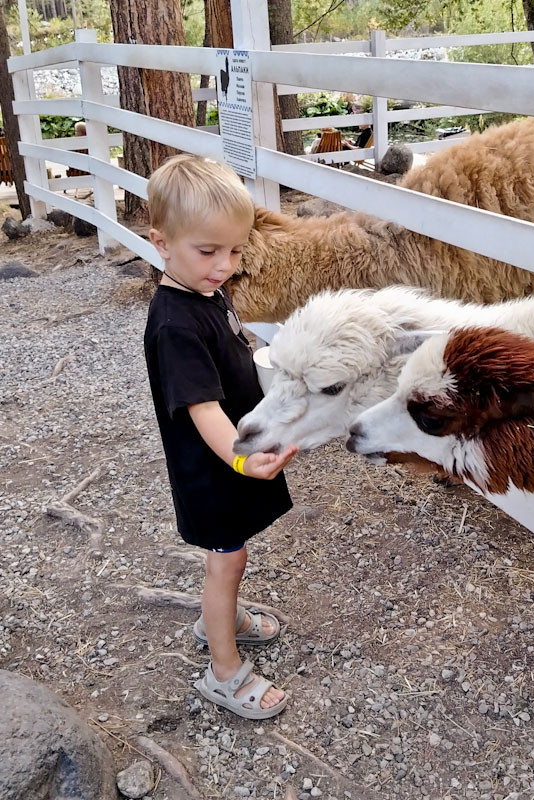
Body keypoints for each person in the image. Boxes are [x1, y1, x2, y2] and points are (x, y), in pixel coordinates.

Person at [144, 154, 298, 720]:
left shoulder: (206, 292)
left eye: (234, 251)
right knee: (225, 561)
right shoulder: (174, 323)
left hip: (230, 455)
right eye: (207, 251)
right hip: (211, 468)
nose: (224, 266)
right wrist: (241, 461)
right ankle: (225, 671)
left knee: (231, 557)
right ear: (161, 241)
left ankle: (222, 619)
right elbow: (203, 409)